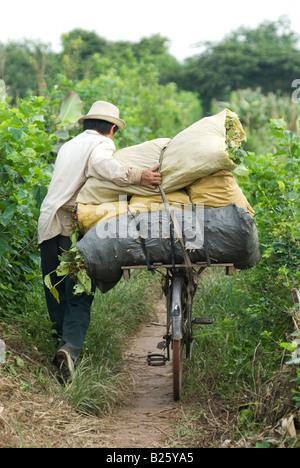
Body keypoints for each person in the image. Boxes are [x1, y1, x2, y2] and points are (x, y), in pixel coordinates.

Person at [38, 100, 162, 380]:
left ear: (87, 124)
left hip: (47, 224)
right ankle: (68, 350)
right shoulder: (101, 145)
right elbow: (105, 167)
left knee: (56, 291)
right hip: (70, 225)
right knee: (80, 292)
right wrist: (139, 176)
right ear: (111, 129)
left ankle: (59, 349)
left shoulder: (69, 145)